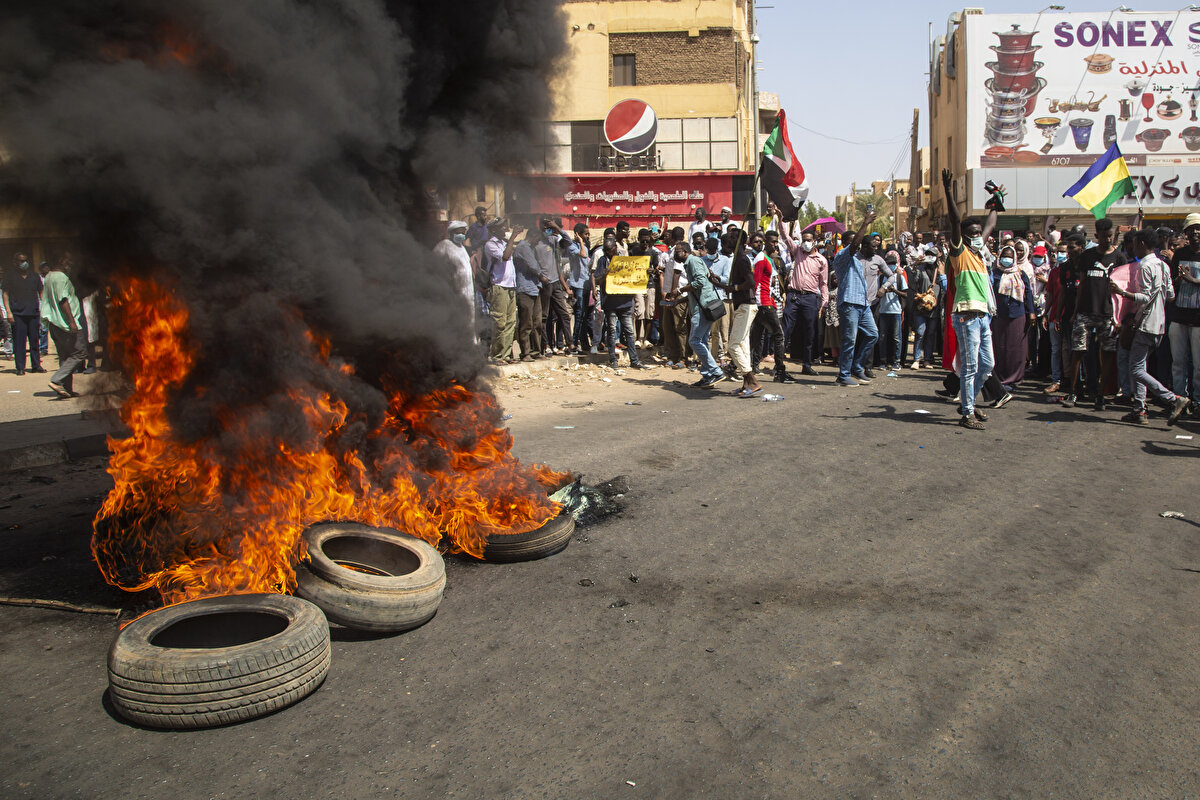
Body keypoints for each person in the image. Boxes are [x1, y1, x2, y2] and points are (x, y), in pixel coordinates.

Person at [1110, 229, 1190, 424]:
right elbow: (1170, 295)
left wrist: (1122, 293)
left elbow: (1145, 298)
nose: (1133, 248)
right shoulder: (1162, 265)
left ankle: (1174, 399)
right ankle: (1140, 409)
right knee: (1140, 366)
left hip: (1145, 323)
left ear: (1143, 244)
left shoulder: (1144, 267)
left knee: (1136, 369)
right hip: (1159, 323)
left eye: (1136, 244)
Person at [941, 167, 999, 429]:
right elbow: (955, 221)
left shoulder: (979, 254)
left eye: (979, 234)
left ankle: (968, 403)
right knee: (971, 366)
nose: (978, 237)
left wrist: (996, 199)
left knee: (987, 365)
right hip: (966, 315)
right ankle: (967, 413)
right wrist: (948, 189)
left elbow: (991, 223)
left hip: (983, 316)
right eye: (972, 234)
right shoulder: (960, 253)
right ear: (963, 237)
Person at [1062, 218, 1123, 411]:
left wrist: (1118, 317)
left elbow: (1123, 289)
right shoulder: (1088, 256)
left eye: (1109, 236)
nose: (1106, 239)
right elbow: (1081, 286)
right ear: (1096, 236)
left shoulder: (1119, 258)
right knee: (1078, 352)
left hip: (1108, 314)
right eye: (1103, 236)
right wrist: (1075, 311)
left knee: (1106, 355)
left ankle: (1100, 395)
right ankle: (1073, 392)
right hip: (1085, 312)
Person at [831, 209, 882, 386]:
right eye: (854, 242)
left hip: (863, 304)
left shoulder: (857, 261)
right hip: (849, 304)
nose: (858, 245)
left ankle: (857, 366)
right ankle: (843, 375)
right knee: (849, 340)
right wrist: (865, 223)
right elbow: (853, 246)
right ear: (845, 243)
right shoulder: (842, 256)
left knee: (873, 335)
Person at [776, 211, 829, 375]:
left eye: (808, 240)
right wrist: (780, 220)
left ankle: (806, 364)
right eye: (803, 240)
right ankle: (779, 366)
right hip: (794, 296)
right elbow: (785, 236)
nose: (805, 243)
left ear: (814, 242)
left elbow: (824, 284)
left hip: (811, 298)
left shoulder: (821, 260)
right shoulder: (797, 251)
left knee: (809, 332)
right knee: (785, 330)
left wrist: (824, 303)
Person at [748, 232, 798, 384]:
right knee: (778, 335)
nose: (775, 245)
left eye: (776, 242)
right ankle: (780, 371)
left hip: (766, 301)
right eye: (772, 242)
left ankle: (735, 366)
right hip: (763, 303)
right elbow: (755, 283)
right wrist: (757, 304)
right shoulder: (761, 259)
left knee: (755, 338)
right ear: (765, 242)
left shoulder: (769, 258)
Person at [594, 240, 649, 371]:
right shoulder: (603, 260)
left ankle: (634, 360)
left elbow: (635, 273)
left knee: (629, 332)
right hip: (610, 302)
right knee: (612, 331)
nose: (608, 253)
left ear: (615, 248)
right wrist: (604, 274)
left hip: (625, 301)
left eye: (610, 250)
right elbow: (597, 278)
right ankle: (613, 359)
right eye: (606, 250)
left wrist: (646, 271)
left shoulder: (624, 260)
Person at [989, 244, 1036, 391]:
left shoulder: (1021, 274)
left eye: (1009, 256)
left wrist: (1031, 312)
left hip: (1017, 315)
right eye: (1004, 256)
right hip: (999, 315)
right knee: (1000, 347)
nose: (1006, 259)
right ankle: (1000, 378)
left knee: (1016, 348)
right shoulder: (994, 273)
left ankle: (1015, 378)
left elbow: (1028, 293)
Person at [41, 252, 85, 398]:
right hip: (64, 323)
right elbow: (62, 300)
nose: (70, 263)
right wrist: (72, 321)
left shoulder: (49, 276)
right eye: (68, 260)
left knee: (65, 356)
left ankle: (65, 389)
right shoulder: (60, 277)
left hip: (55, 323)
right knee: (80, 353)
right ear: (61, 260)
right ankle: (56, 380)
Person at [682, 240, 726, 388]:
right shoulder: (694, 261)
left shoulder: (693, 262)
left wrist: (682, 289)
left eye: (677, 251)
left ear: (685, 252)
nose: (676, 254)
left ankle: (716, 371)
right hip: (704, 306)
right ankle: (707, 376)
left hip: (703, 308)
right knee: (702, 340)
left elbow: (700, 282)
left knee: (694, 341)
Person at [1168, 213, 1200, 411]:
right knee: (1178, 362)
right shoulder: (1179, 255)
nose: (1195, 233)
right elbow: (1172, 282)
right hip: (1179, 316)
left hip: (1198, 320)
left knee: (1198, 366)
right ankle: (1179, 399)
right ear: (1186, 233)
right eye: (1191, 229)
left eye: (1198, 228)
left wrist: (1192, 280)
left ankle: (1197, 401)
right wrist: (1180, 280)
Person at [727, 232, 762, 397]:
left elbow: (750, 282)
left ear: (741, 241)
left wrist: (734, 289)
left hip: (746, 306)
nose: (730, 239)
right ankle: (746, 384)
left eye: (734, 237)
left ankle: (752, 380)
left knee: (733, 345)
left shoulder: (741, 259)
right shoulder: (738, 258)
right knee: (742, 346)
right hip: (743, 305)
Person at [2, 251, 46, 375]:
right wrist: (8, 312)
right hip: (17, 314)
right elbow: (5, 293)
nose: (24, 263)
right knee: (19, 342)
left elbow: (41, 293)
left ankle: (36, 365)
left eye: (25, 260)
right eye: (21, 261)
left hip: (33, 313)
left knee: (34, 340)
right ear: (15, 262)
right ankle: (20, 367)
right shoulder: (9, 276)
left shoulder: (34, 276)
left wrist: (44, 309)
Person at [484, 218, 520, 363]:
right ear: (493, 230)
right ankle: (496, 355)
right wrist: (513, 237)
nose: (504, 229)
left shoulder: (505, 243)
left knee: (510, 322)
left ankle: (505, 355)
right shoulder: (490, 244)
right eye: (501, 227)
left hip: (510, 286)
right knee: (499, 322)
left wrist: (510, 240)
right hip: (499, 286)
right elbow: (505, 257)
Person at [535, 219, 572, 355]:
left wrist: (557, 228)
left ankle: (570, 343)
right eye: (546, 226)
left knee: (564, 314)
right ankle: (545, 345)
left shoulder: (553, 240)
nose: (548, 229)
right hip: (544, 283)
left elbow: (568, 241)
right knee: (544, 316)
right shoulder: (536, 242)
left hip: (556, 282)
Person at [433, 221, 476, 337]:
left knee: (469, 321)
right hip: (454, 291)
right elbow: (434, 265)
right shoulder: (444, 245)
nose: (461, 235)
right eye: (459, 232)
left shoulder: (462, 248)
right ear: (452, 233)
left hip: (468, 293)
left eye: (463, 232)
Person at [512, 224, 544, 361]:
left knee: (537, 322)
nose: (539, 242)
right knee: (526, 323)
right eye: (538, 239)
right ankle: (525, 352)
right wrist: (543, 277)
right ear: (534, 236)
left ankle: (536, 351)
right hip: (525, 289)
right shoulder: (523, 247)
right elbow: (534, 266)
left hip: (534, 288)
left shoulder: (529, 248)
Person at [659, 227, 690, 367]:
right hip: (668, 295)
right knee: (668, 327)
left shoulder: (681, 254)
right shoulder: (668, 254)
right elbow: (666, 275)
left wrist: (673, 295)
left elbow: (677, 275)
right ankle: (673, 356)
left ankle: (683, 357)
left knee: (680, 327)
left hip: (679, 296)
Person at [906, 246, 940, 368]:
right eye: (928, 254)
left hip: (934, 307)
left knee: (930, 333)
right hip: (920, 306)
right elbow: (914, 280)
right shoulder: (921, 269)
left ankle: (927, 359)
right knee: (920, 332)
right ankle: (916, 359)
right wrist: (916, 265)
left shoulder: (939, 270)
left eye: (933, 254)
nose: (930, 256)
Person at [704, 233, 733, 363]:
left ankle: (715, 357)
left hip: (718, 298)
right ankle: (699, 358)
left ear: (717, 249)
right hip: (704, 298)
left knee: (717, 332)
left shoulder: (724, 261)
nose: (710, 253)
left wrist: (715, 276)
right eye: (708, 251)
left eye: (712, 251)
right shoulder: (703, 260)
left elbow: (727, 279)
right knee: (703, 331)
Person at [877, 249, 907, 371]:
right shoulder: (881, 278)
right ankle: (883, 362)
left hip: (896, 311)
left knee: (896, 337)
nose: (891, 266)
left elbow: (905, 294)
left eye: (893, 264)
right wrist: (884, 291)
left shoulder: (899, 278)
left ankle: (896, 362)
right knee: (882, 337)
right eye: (889, 264)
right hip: (883, 311)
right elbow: (876, 293)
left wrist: (894, 290)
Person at [567, 223, 593, 353]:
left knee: (584, 315)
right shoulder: (572, 246)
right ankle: (573, 343)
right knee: (578, 315)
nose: (587, 236)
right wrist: (581, 242)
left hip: (586, 283)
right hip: (578, 285)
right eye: (585, 234)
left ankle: (583, 342)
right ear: (577, 234)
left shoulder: (586, 246)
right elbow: (583, 255)